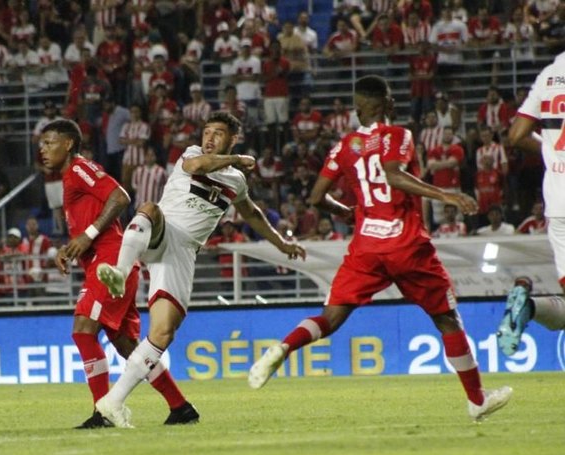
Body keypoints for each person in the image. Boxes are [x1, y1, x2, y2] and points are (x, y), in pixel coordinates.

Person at [247, 76, 512, 422]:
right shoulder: (399, 135)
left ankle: (283, 347)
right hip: (405, 243)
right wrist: (446, 194)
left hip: (366, 246)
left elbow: (315, 197)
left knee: (331, 318)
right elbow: (393, 175)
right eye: (389, 97)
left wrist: (345, 212)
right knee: (447, 319)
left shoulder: (344, 146)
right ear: (385, 104)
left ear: (358, 110)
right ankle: (476, 399)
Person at [93, 112, 305, 427]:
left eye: (218, 133)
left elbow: (253, 214)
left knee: (162, 333)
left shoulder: (236, 181)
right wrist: (236, 157)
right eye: (207, 131)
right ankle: (121, 274)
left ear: (233, 137)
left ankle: (113, 402)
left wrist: (281, 244)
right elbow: (196, 167)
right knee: (149, 207)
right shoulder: (192, 154)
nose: (209, 138)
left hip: (183, 252)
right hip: (162, 230)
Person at [39, 118, 198, 428]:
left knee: (83, 329)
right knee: (128, 347)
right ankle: (180, 407)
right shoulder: (70, 177)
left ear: (69, 144)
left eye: (49, 142)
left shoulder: (79, 168)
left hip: (110, 260)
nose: (43, 150)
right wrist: (71, 247)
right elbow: (90, 220)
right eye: (41, 145)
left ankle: (103, 413)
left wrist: (89, 234)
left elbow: (121, 196)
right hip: (103, 258)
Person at [496, 51, 565, 356]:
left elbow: (516, 135)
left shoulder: (549, 74)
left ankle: (531, 308)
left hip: (558, 202)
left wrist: (550, 151)